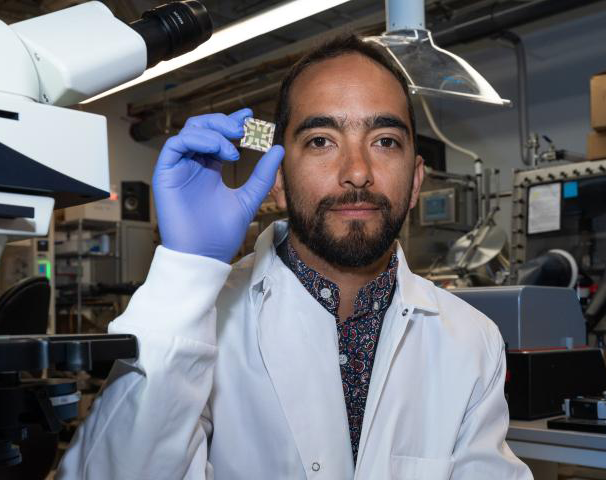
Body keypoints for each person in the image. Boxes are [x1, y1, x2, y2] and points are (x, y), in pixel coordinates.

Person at [57, 34, 532, 479]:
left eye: (384, 141)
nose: (358, 172)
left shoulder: (472, 341)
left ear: (416, 180)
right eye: (321, 140)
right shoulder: (202, 320)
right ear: (278, 177)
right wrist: (186, 269)